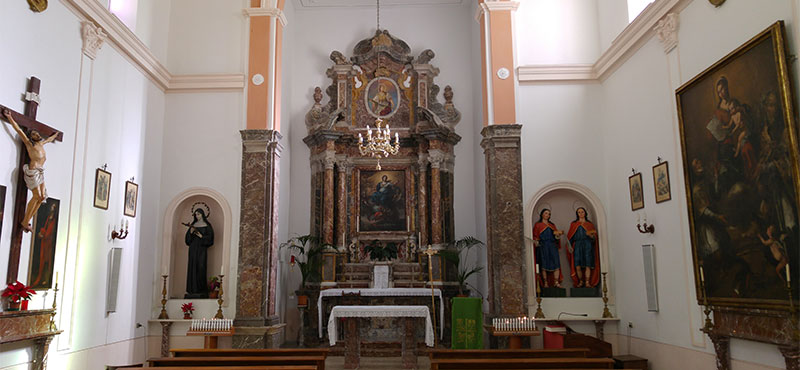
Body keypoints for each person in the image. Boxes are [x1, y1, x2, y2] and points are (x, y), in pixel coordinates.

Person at [2, 108, 59, 232]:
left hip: (41, 172)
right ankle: (25, 221)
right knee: (37, 195)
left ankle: (27, 221)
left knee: (42, 197)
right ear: (31, 138)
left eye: (37, 133)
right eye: (34, 134)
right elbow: (18, 129)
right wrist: (10, 117)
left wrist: (55, 135)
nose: (37, 135)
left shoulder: (41, 144)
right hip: (33, 172)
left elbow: (49, 139)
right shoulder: (29, 144)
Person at [183, 208, 215, 298]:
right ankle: (192, 289)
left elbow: (211, 239)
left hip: (201, 249)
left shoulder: (207, 225)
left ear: (202, 214)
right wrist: (190, 232)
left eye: (199, 214)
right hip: (193, 249)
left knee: (201, 266)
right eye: (196, 214)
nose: (197, 216)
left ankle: (201, 289)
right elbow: (187, 240)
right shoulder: (193, 225)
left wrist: (201, 236)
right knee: (192, 267)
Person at [567, 207, 600, 288]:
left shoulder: (589, 224)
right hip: (577, 245)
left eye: (582, 212)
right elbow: (570, 237)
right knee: (577, 265)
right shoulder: (574, 224)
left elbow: (594, 239)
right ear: (577, 214)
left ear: (585, 213)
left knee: (587, 264)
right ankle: (581, 281)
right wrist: (569, 246)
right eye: (579, 212)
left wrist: (591, 236)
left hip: (587, 245)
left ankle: (587, 282)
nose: (581, 213)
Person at [532, 208, 564, 288]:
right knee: (544, 265)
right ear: (542, 214)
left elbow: (556, 237)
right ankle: (545, 283)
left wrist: (557, 236)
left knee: (556, 264)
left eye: (549, 214)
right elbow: (535, 235)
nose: (547, 215)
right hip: (543, 246)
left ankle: (556, 282)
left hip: (552, 246)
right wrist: (537, 241)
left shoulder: (552, 225)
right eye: (546, 213)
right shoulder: (538, 225)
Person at [30, 202, 57, 287]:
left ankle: (46, 279)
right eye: (52, 206)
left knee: (47, 262)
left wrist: (43, 233)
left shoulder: (54, 220)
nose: (52, 208)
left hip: (48, 244)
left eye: (53, 206)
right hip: (44, 243)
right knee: (42, 260)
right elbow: (45, 228)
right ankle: (40, 278)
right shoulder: (49, 217)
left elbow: (50, 232)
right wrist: (41, 233)